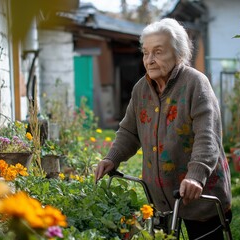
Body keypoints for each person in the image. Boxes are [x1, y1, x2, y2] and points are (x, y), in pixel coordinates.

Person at [94, 18, 232, 240]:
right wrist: (113, 158)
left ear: (178, 54)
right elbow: (129, 131)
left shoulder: (195, 84)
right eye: (146, 52)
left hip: (199, 193)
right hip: (161, 198)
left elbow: (208, 136)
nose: (149, 60)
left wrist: (196, 176)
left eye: (158, 52)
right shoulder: (141, 89)